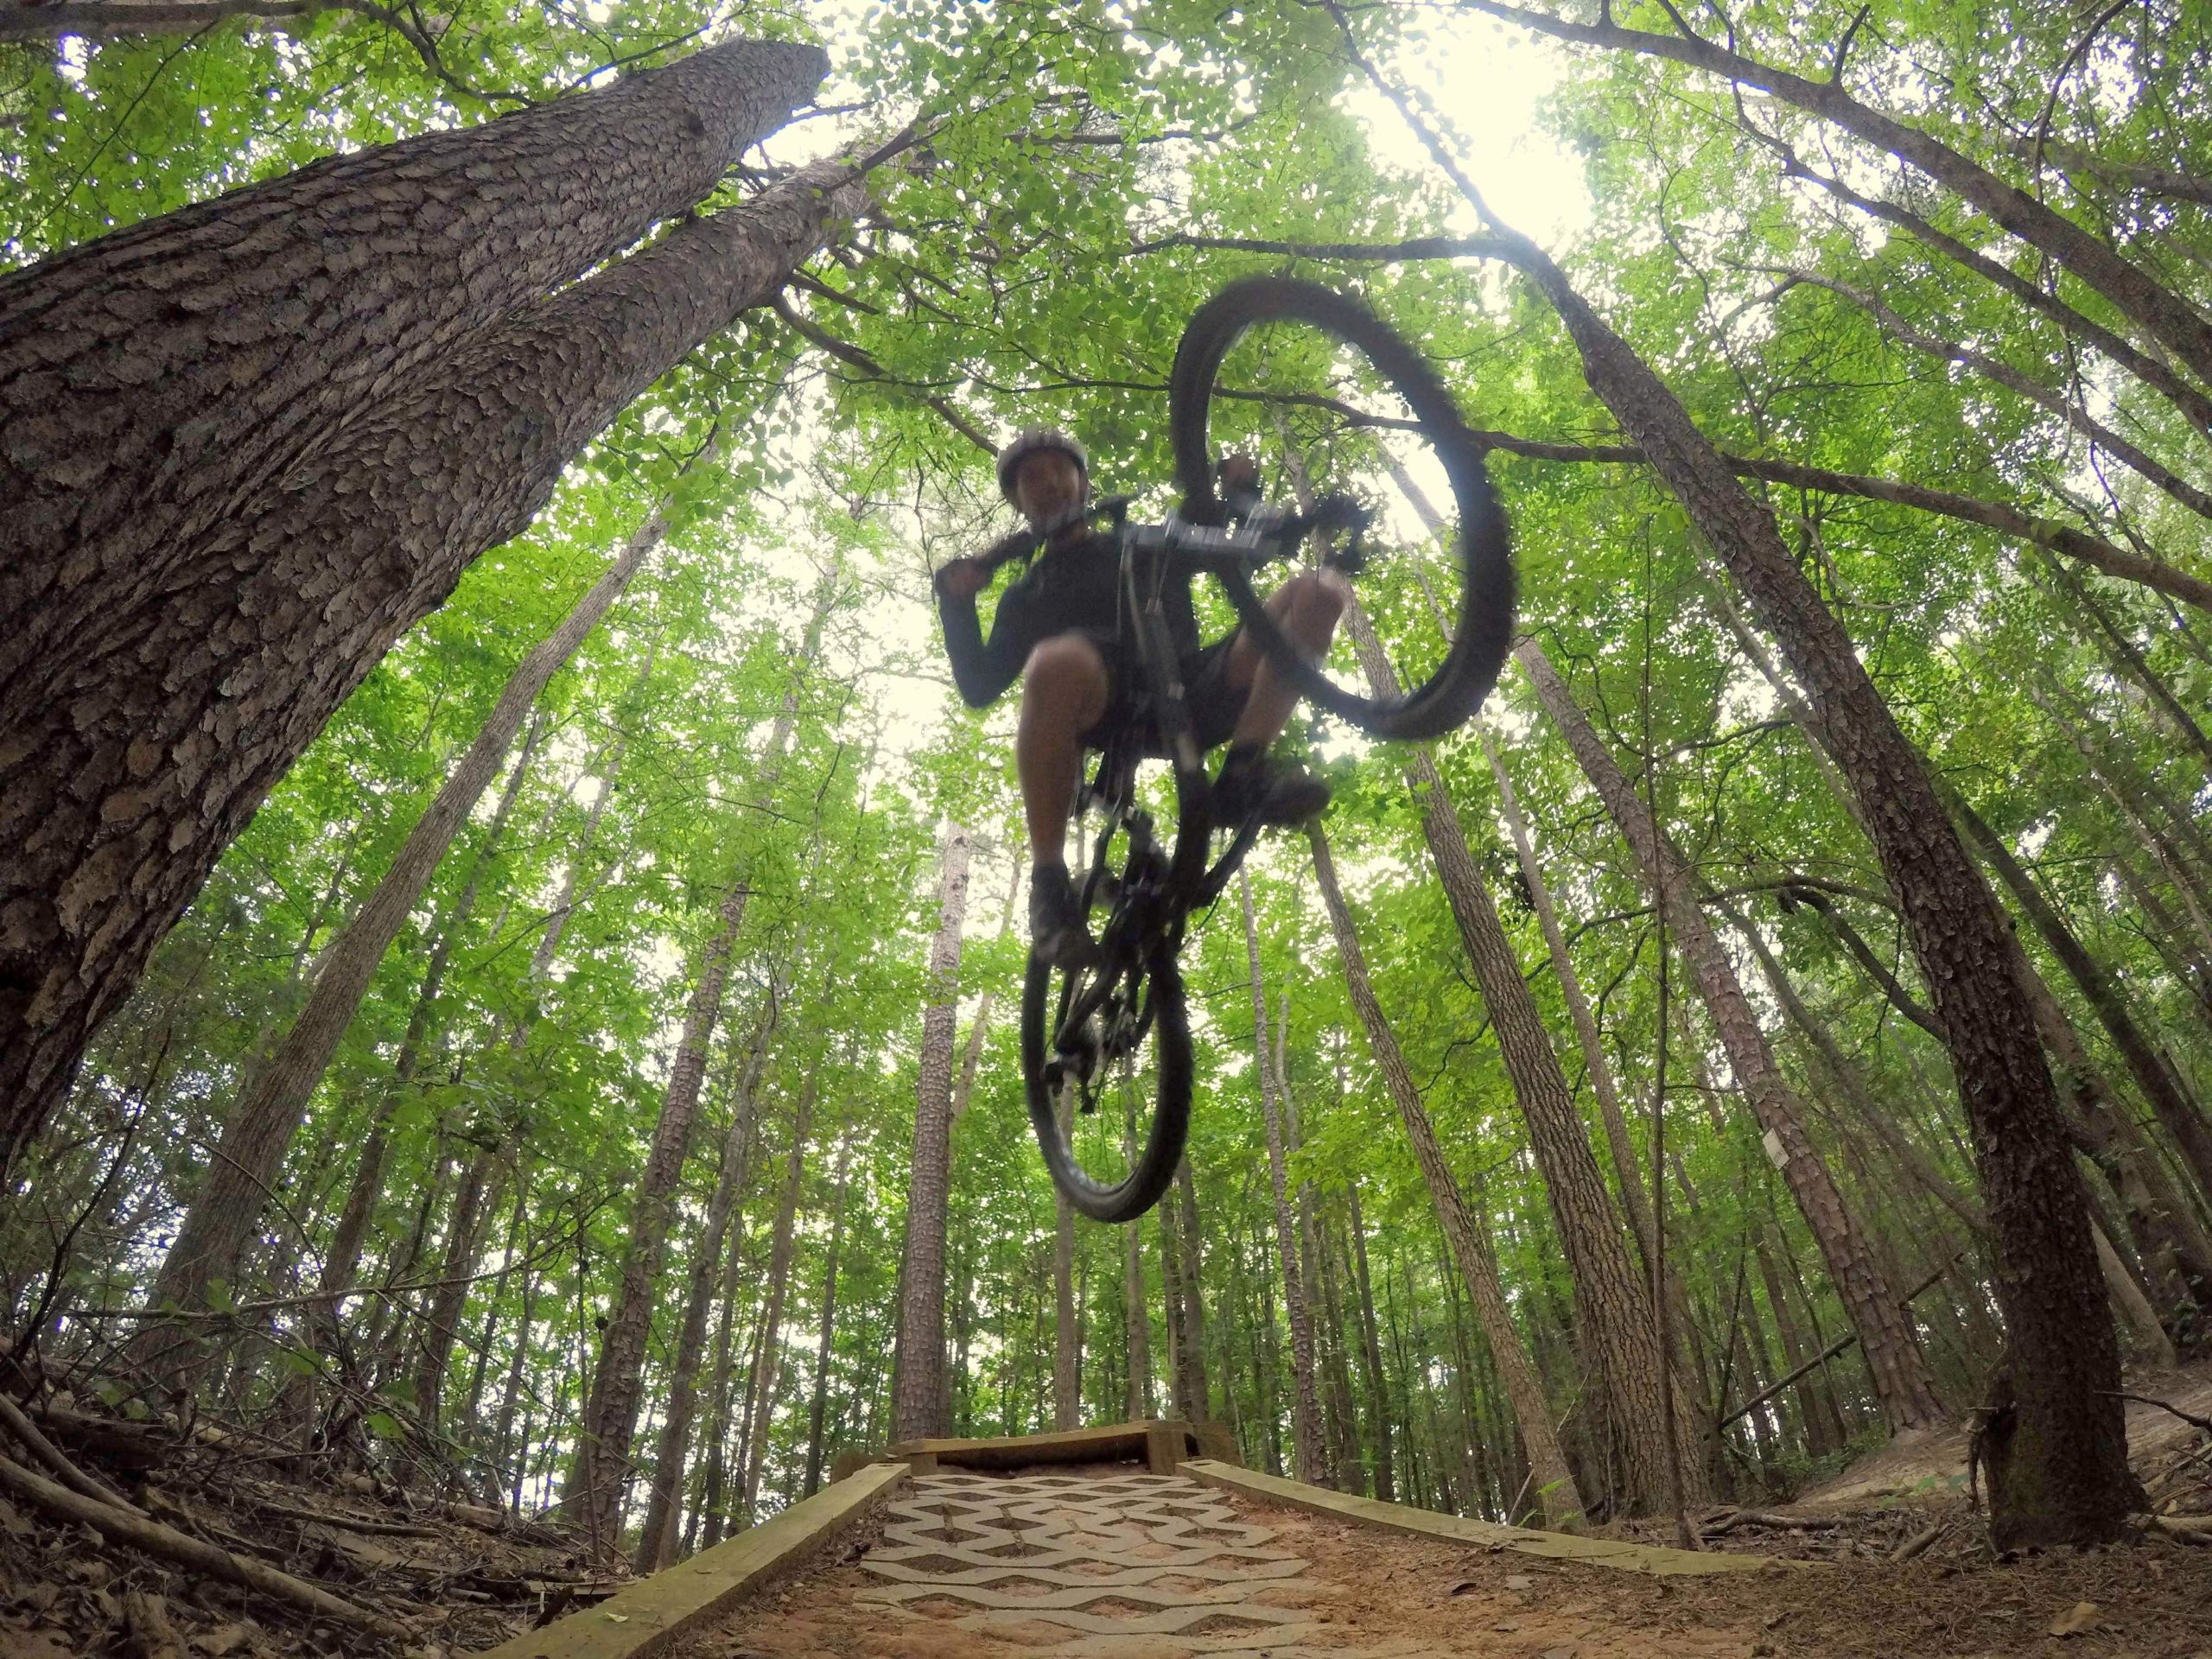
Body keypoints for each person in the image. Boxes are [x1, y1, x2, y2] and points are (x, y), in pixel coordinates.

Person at [934, 428, 1347, 971]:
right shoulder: (1024, 595)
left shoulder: (1146, 541)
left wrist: (1243, 489)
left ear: (1084, 483)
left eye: (1060, 469)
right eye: (1031, 477)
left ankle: (1243, 772)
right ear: (1017, 501)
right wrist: (958, 607)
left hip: (1192, 690)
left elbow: (1238, 542)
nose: (1049, 482)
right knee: (1058, 659)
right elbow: (979, 686)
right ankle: (1049, 885)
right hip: (1107, 713)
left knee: (1319, 592)